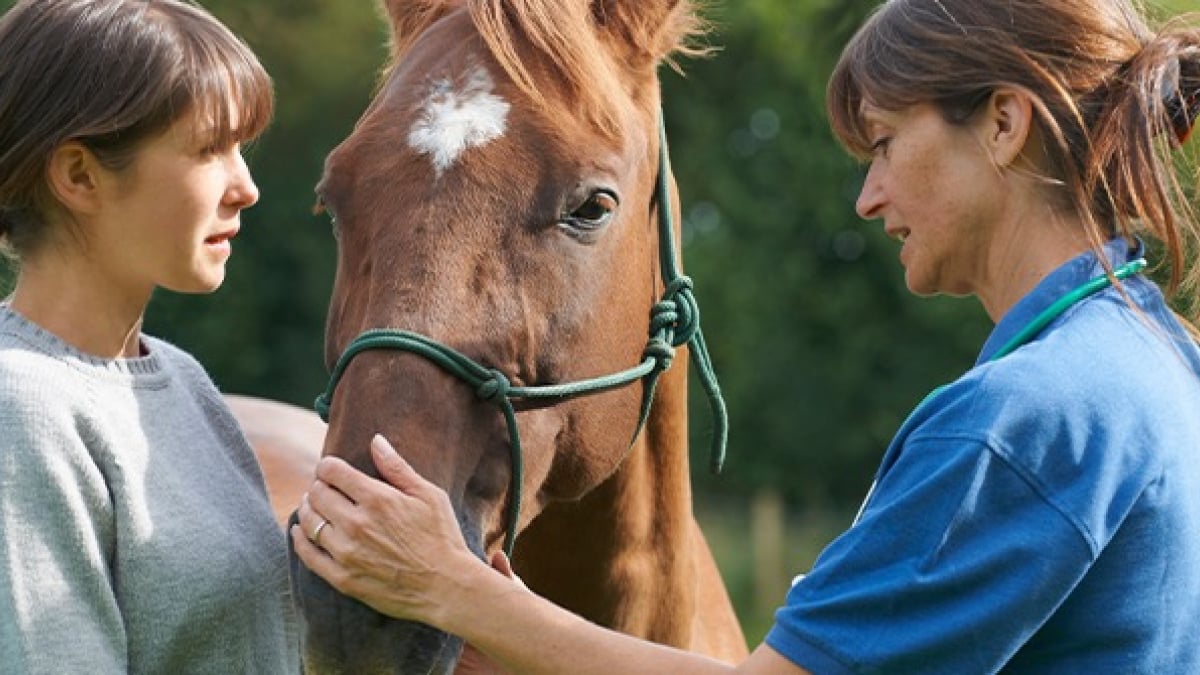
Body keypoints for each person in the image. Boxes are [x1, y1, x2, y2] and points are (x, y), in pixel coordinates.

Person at [291, 0, 1200, 672]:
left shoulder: (1023, 419)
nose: (868, 197)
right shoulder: (1157, 359)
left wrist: (455, 589)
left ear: (1003, 124)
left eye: (882, 145)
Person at [0, 0, 298, 672]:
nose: (245, 186)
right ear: (79, 175)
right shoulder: (20, 408)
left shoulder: (181, 378)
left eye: (241, 149)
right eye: (209, 149)